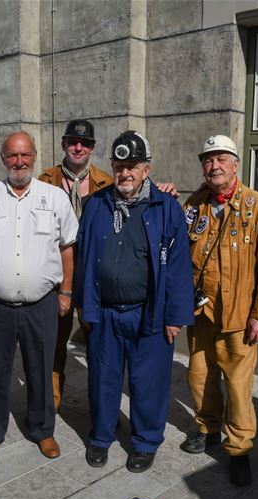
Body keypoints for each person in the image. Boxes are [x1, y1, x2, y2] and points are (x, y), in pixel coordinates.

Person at [75, 130, 193, 473]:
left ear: (146, 169)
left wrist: (175, 316)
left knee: (148, 382)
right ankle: (101, 436)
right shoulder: (95, 204)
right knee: (102, 378)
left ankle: (145, 441)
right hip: (106, 313)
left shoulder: (167, 207)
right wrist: (85, 303)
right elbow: (84, 256)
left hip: (150, 313)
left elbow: (180, 265)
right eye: (119, 166)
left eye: (133, 166)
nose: (125, 173)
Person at [0, 131, 78, 462]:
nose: (19, 162)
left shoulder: (54, 198)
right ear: (3, 159)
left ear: (35, 156)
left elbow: (67, 247)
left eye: (25, 155)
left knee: (40, 368)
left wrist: (66, 291)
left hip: (42, 304)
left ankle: (43, 431)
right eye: (12, 155)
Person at [180, 134, 258, 487]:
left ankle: (238, 448)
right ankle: (206, 426)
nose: (214, 165)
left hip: (238, 317)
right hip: (201, 314)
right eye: (207, 160)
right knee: (200, 376)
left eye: (221, 158)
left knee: (238, 387)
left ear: (235, 163)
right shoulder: (194, 204)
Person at [38, 119, 113, 411]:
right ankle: (51, 403)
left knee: (97, 345)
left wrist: (166, 188)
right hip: (56, 273)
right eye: (72, 142)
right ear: (63, 145)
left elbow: (137, 191)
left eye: (84, 143)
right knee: (53, 343)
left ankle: (100, 407)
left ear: (92, 148)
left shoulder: (107, 182)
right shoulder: (45, 181)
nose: (78, 147)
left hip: (94, 275)